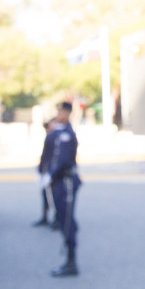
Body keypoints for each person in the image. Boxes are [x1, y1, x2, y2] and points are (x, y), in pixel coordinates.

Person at [46, 101, 80, 277]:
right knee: (61, 217)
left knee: (67, 220)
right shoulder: (58, 131)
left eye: (61, 111)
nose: (59, 114)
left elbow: (64, 160)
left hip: (66, 180)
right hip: (58, 180)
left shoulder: (67, 133)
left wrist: (51, 175)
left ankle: (71, 259)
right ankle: (69, 257)